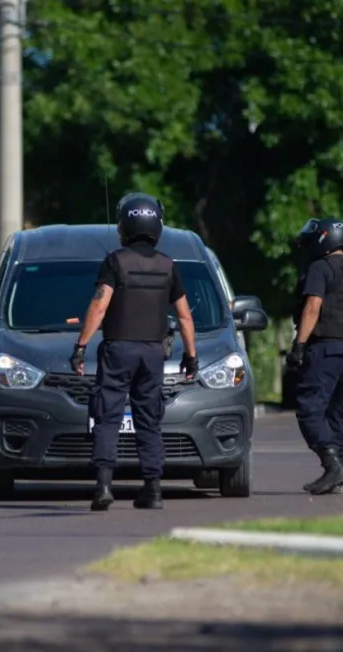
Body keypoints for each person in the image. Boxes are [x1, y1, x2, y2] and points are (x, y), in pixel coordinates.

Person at [69, 192, 199, 511]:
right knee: (149, 418)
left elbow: (99, 306)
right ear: (157, 226)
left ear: (124, 226)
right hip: (154, 352)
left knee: (107, 415)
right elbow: (184, 315)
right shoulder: (169, 267)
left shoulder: (115, 261)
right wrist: (191, 355)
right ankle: (153, 489)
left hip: (118, 350)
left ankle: (103, 487)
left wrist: (81, 346)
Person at [286, 217, 343, 496]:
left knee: (309, 408)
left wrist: (299, 344)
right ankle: (338, 469)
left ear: (324, 239)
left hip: (327, 347)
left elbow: (312, 307)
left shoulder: (320, 268)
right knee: (337, 412)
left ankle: (332, 466)